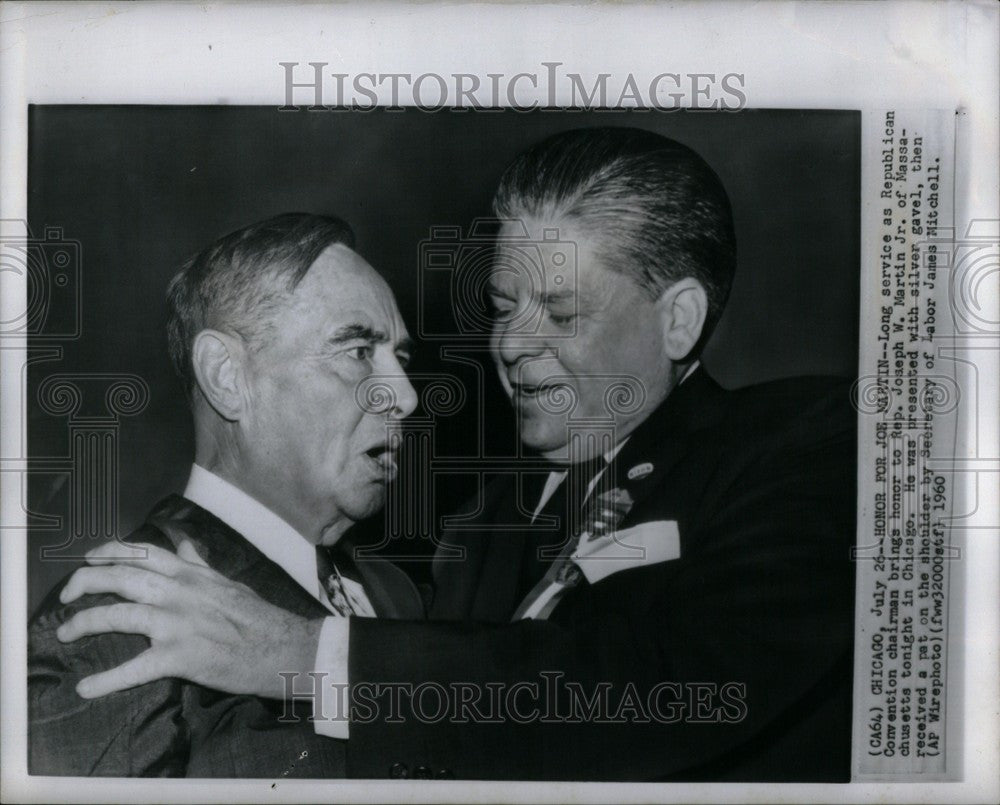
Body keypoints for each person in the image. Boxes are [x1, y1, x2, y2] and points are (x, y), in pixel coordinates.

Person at [53, 128, 857, 781]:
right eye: (504, 304)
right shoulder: (473, 542)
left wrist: (302, 656)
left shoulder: (806, 440)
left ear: (677, 321)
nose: (511, 341)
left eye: (562, 310)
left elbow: (688, 684)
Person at [28, 212, 423, 777]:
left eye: (401, 359)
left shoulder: (394, 594)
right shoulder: (116, 620)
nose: (405, 396)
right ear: (226, 377)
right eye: (359, 350)